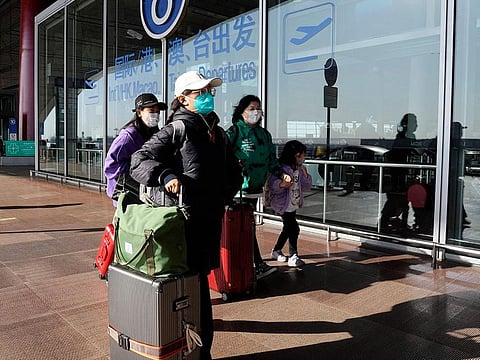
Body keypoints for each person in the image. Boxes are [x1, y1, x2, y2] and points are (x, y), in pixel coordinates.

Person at [129, 71, 241, 360]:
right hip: (184, 222)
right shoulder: (177, 127)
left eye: (209, 91)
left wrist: (222, 196)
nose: (207, 96)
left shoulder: (218, 131)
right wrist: (165, 175)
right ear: (183, 99)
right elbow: (138, 160)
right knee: (189, 285)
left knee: (199, 280)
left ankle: (197, 349)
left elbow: (232, 173)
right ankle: (192, 350)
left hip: (209, 219)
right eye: (199, 92)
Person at [226, 94, 291, 279]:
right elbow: (222, 156)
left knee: (247, 226)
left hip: (255, 189)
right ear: (242, 111)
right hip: (238, 190)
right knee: (245, 227)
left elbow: (271, 160)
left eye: (258, 108)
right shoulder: (234, 132)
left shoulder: (264, 134)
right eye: (251, 108)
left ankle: (251, 263)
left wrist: (281, 174)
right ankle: (255, 263)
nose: (256, 112)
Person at [104, 93, 167, 207]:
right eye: (151, 110)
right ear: (139, 112)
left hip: (146, 193)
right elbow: (111, 166)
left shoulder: (155, 134)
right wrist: (138, 169)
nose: (155, 115)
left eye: (157, 112)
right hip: (128, 194)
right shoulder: (128, 137)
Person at [268, 140, 312, 267]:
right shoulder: (281, 168)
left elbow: (306, 186)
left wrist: (306, 175)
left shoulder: (299, 169)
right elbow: (272, 185)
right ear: (294, 155)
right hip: (283, 204)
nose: (303, 158)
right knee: (293, 228)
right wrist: (282, 184)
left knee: (288, 228)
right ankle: (293, 255)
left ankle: (276, 250)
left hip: (293, 203)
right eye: (301, 155)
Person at [380, 113, 417, 233]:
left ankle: (391, 221)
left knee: (401, 199)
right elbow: (409, 151)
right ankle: (387, 221)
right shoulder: (404, 137)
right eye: (414, 123)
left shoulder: (406, 136)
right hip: (398, 172)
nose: (416, 125)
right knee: (398, 198)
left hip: (401, 172)